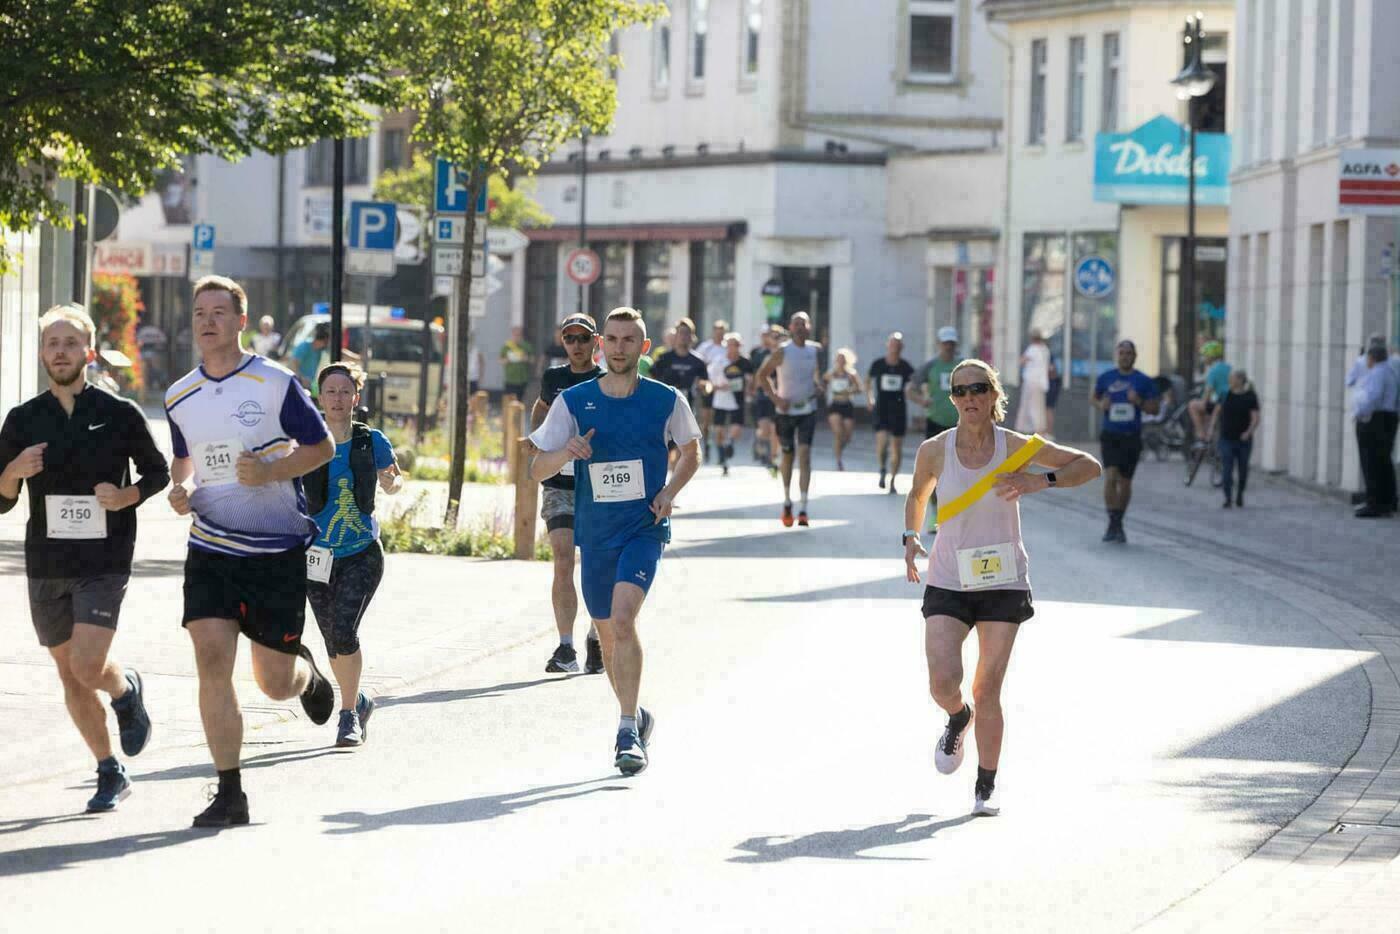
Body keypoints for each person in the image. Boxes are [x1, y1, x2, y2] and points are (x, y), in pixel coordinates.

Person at [165, 275, 338, 827]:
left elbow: (322, 446)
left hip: (274, 550)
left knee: (274, 683)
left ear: (242, 321)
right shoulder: (179, 396)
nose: (207, 321)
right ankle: (229, 792)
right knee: (211, 660)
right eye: (200, 313)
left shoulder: (274, 382)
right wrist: (180, 488)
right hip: (210, 547)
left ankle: (307, 674)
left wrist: (269, 471)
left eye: (219, 312)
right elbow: (184, 459)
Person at [903, 359, 1100, 816]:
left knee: (987, 687)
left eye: (977, 389)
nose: (969, 397)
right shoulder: (935, 449)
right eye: (960, 391)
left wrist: (1039, 480)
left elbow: (1088, 466)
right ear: (952, 399)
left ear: (993, 394)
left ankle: (985, 786)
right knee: (943, 681)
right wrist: (910, 537)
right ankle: (958, 717)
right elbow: (917, 494)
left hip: (1002, 580)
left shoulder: (1016, 446)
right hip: (949, 577)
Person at [0, 304, 167, 813]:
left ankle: (124, 688)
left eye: (70, 342)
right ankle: (109, 768)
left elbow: (157, 473)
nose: (60, 351)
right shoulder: (23, 419)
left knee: (88, 663)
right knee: (71, 675)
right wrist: (12, 472)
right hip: (46, 563)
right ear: (42, 354)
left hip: (104, 558)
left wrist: (125, 496)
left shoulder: (119, 413)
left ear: (89, 353)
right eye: (52, 343)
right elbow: (1, 499)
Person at [528, 307, 702, 776]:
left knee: (624, 619)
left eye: (629, 340)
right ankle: (637, 712)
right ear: (601, 345)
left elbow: (691, 452)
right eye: (612, 339)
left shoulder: (666, 399)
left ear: (643, 348)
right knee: (607, 635)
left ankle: (626, 731)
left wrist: (669, 492)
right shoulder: (573, 400)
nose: (619, 348)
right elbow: (537, 468)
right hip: (596, 533)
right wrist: (566, 452)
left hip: (644, 526)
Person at [304, 363, 403, 746]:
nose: (338, 398)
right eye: (331, 391)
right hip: (316, 557)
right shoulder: (305, 442)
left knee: (345, 632)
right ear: (320, 398)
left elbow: (394, 478)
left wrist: (391, 482)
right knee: (333, 641)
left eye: (345, 391)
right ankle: (359, 701)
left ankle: (348, 718)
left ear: (356, 397)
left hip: (362, 553)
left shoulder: (370, 440)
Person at [531, 314, 606, 674]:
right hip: (559, 483)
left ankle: (596, 636)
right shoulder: (553, 378)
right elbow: (541, 407)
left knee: (595, 564)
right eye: (569, 338)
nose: (576, 345)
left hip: (599, 486)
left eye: (583, 338)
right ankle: (565, 647)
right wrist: (537, 440)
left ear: (596, 341)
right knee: (563, 559)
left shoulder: (606, 379)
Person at [755, 312, 824, 526]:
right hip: (785, 412)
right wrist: (776, 399)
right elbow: (762, 375)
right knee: (788, 456)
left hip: (807, 410)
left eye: (803, 323)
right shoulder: (783, 351)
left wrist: (819, 386)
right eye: (796, 324)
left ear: (809, 327)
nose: (800, 327)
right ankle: (787, 501)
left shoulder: (814, 350)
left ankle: (803, 508)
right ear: (791, 328)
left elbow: (816, 375)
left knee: (805, 455)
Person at [1092, 340, 1161, 543]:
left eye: (1129, 353)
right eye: (1121, 353)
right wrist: (1101, 404)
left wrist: (1138, 401)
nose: (1125, 356)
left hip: (1132, 436)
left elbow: (1155, 409)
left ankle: (1118, 522)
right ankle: (1113, 522)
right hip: (1110, 435)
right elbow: (1093, 398)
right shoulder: (1106, 377)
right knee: (1111, 476)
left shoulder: (1143, 381)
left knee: (1125, 481)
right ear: (1117, 355)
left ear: (1135, 356)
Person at [650, 318, 710, 467]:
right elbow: (651, 378)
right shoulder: (664, 358)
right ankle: (668, 470)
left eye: (687, 333)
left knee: (682, 447)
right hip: (664, 407)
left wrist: (705, 387)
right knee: (666, 448)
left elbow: (706, 382)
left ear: (692, 337)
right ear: (675, 335)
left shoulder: (698, 361)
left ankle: (674, 473)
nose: (683, 336)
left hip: (686, 407)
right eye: (681, 333)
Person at [1352, 342, 1400, 518]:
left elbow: (1373, 397)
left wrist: (1359, 413)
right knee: (1383, 461)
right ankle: (1387, 501)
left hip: (1376, 419)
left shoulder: (1378, 372)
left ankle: (1375, 503)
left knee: (1372, 462)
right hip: (1388, 417)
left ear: (1372, 358)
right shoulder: (1390, 370)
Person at [867, 332, 915, 494]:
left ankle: (893, 480)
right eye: (893, 344)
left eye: (898, 345)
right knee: (882, 443)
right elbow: (868, 381)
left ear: (902, 347)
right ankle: (882, 468)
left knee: (897, 446)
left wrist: (916, 393)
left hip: (899, 409)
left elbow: (913, 384)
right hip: (882, 408)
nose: (895, 347)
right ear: (888, 345)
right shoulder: (878, 364)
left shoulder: (906, 367)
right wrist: (870, 398)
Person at [1211, 369, 1260, 509]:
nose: (1229, 380)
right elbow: (1216, 412)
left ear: (1240, 380)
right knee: (1227, 469)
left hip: (1244, 441)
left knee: (1243, 469)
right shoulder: (1224, 394)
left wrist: (1248, 432)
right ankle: (1227, 498)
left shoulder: (1250, 396)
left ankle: (1240, 494)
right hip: (1226, 438)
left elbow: (1255, 418)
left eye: (1232, 378)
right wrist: (1211, 429)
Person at [708, 333, 754, 476]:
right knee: (719, 431)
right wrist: (717, 386)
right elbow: (710, 380)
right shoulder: (719, 361)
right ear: (726, 346)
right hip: (720, 399)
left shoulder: (745, 362)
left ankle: (730, 444)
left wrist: (748, 390)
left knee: (736, 429)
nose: (734, 348)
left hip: (737, 399)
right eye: (731, 345)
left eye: (736, 345)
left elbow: (750, 379)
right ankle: (722, 457)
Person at [695, 320, 729, 462]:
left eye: (722, 333)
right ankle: (707, 443)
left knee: (719, 420)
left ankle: (720, 448)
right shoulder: (705, 347)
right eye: (717, 332)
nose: (719, 335)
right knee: (706, 418)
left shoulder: (727, 347)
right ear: (713, 332)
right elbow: (697, 363)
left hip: (722, 388)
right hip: (708, 386)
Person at [823, 349, 862, 471]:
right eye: (839, 359)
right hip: (835, 405)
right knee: (838, 433)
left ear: (847, 361)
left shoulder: (851, 374)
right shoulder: (831, 374)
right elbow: (822, 385)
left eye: (843, 359)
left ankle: (839, 448)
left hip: (847, 404)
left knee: (847, 436)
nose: (840, 361)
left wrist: (849, 391)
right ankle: (838, 460)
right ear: (836, 360)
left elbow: (860, 389)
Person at [749, 327, 782, 468]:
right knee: (765, 429)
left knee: (775, 430)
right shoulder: (756, 352)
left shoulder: (781, 352)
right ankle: (759, 441)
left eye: (773, 336)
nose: (769, 338)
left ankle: (772, 457)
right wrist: (751, 388)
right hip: (762, 394)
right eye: (766, 335)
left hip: (779, 395)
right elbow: (754, 374)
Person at [1189, 340, 1230, 443]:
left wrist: (1203, 402)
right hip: (1230, 402)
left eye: (1204, 355)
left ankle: (1201, 434)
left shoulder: (1213, 370)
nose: (1203, 358)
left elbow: (1208, 390)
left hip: (1220, 403)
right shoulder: (1228, 367)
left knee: (1193, 405)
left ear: (1211, 356)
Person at [1014, 330, 1050, 435]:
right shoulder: (1045, 349)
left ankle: (1037, 431)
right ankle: (1032, 430)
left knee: (1032, 407)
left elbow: (1022, 361)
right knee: (1036, 407)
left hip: (1031, 382)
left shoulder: (1033, 349)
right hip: (1040, 383)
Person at [291, 322, 331, 397]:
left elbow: (339, 352)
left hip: (309, 385)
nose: (329, 343)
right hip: (299, 385)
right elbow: (293, 364)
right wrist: (301, 378)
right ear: (324, 340)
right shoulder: (304, 346)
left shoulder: (319, 350)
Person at [501, 326, 535, 402]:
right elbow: (500, 360)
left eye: (518, 335)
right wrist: (508, 359)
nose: (516, 337)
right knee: (509, 401)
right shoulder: (507, 346)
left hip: (522, 378)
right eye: (515, 335)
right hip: (510, 379)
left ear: (521, 336)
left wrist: (526, 358)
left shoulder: (526, 346)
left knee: (519, 400)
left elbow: (532, 360)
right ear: (512, 335)